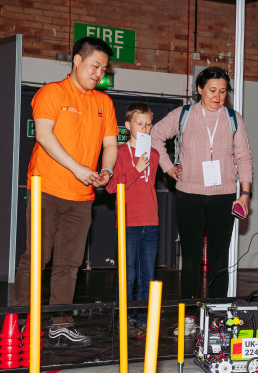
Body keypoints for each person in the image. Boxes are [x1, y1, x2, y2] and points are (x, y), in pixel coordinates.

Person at [12, 37, 118, 347]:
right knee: (36, 259)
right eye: (95, 66)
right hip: (47, 188)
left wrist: (106, 171)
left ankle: (60, 322)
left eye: (104, 69)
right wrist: (77, 168)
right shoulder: (52, 92)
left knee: (69, 265)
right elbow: (44, 135)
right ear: (76, 60)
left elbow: (110, 145)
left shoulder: (104, 103)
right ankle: (18, 321)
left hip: (82, 197)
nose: (99, 74)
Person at [152, 66, 253, 304]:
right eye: (212, 90)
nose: (217, 96)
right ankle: (188, 312)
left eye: (222, 91)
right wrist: (168, 167)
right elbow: (155, 136)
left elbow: (244, 157)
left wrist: (245, 193)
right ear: (199, 89)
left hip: (224, 195)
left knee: (219, 259)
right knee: (190, 258)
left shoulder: (233, 118)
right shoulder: (182, 114)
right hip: (189, 195)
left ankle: (217, 311)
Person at [106, 102, 159, 337]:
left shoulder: (154, 154)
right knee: (128, 276)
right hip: (128, 221)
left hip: (151, 221)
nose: (145, 128)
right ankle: (123, 319)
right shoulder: (117, 151)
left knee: (147, 275)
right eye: (140, 124)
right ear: (128, 126)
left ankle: (143, 319)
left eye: (148, 124)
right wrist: (136, 169)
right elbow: (110, 187)